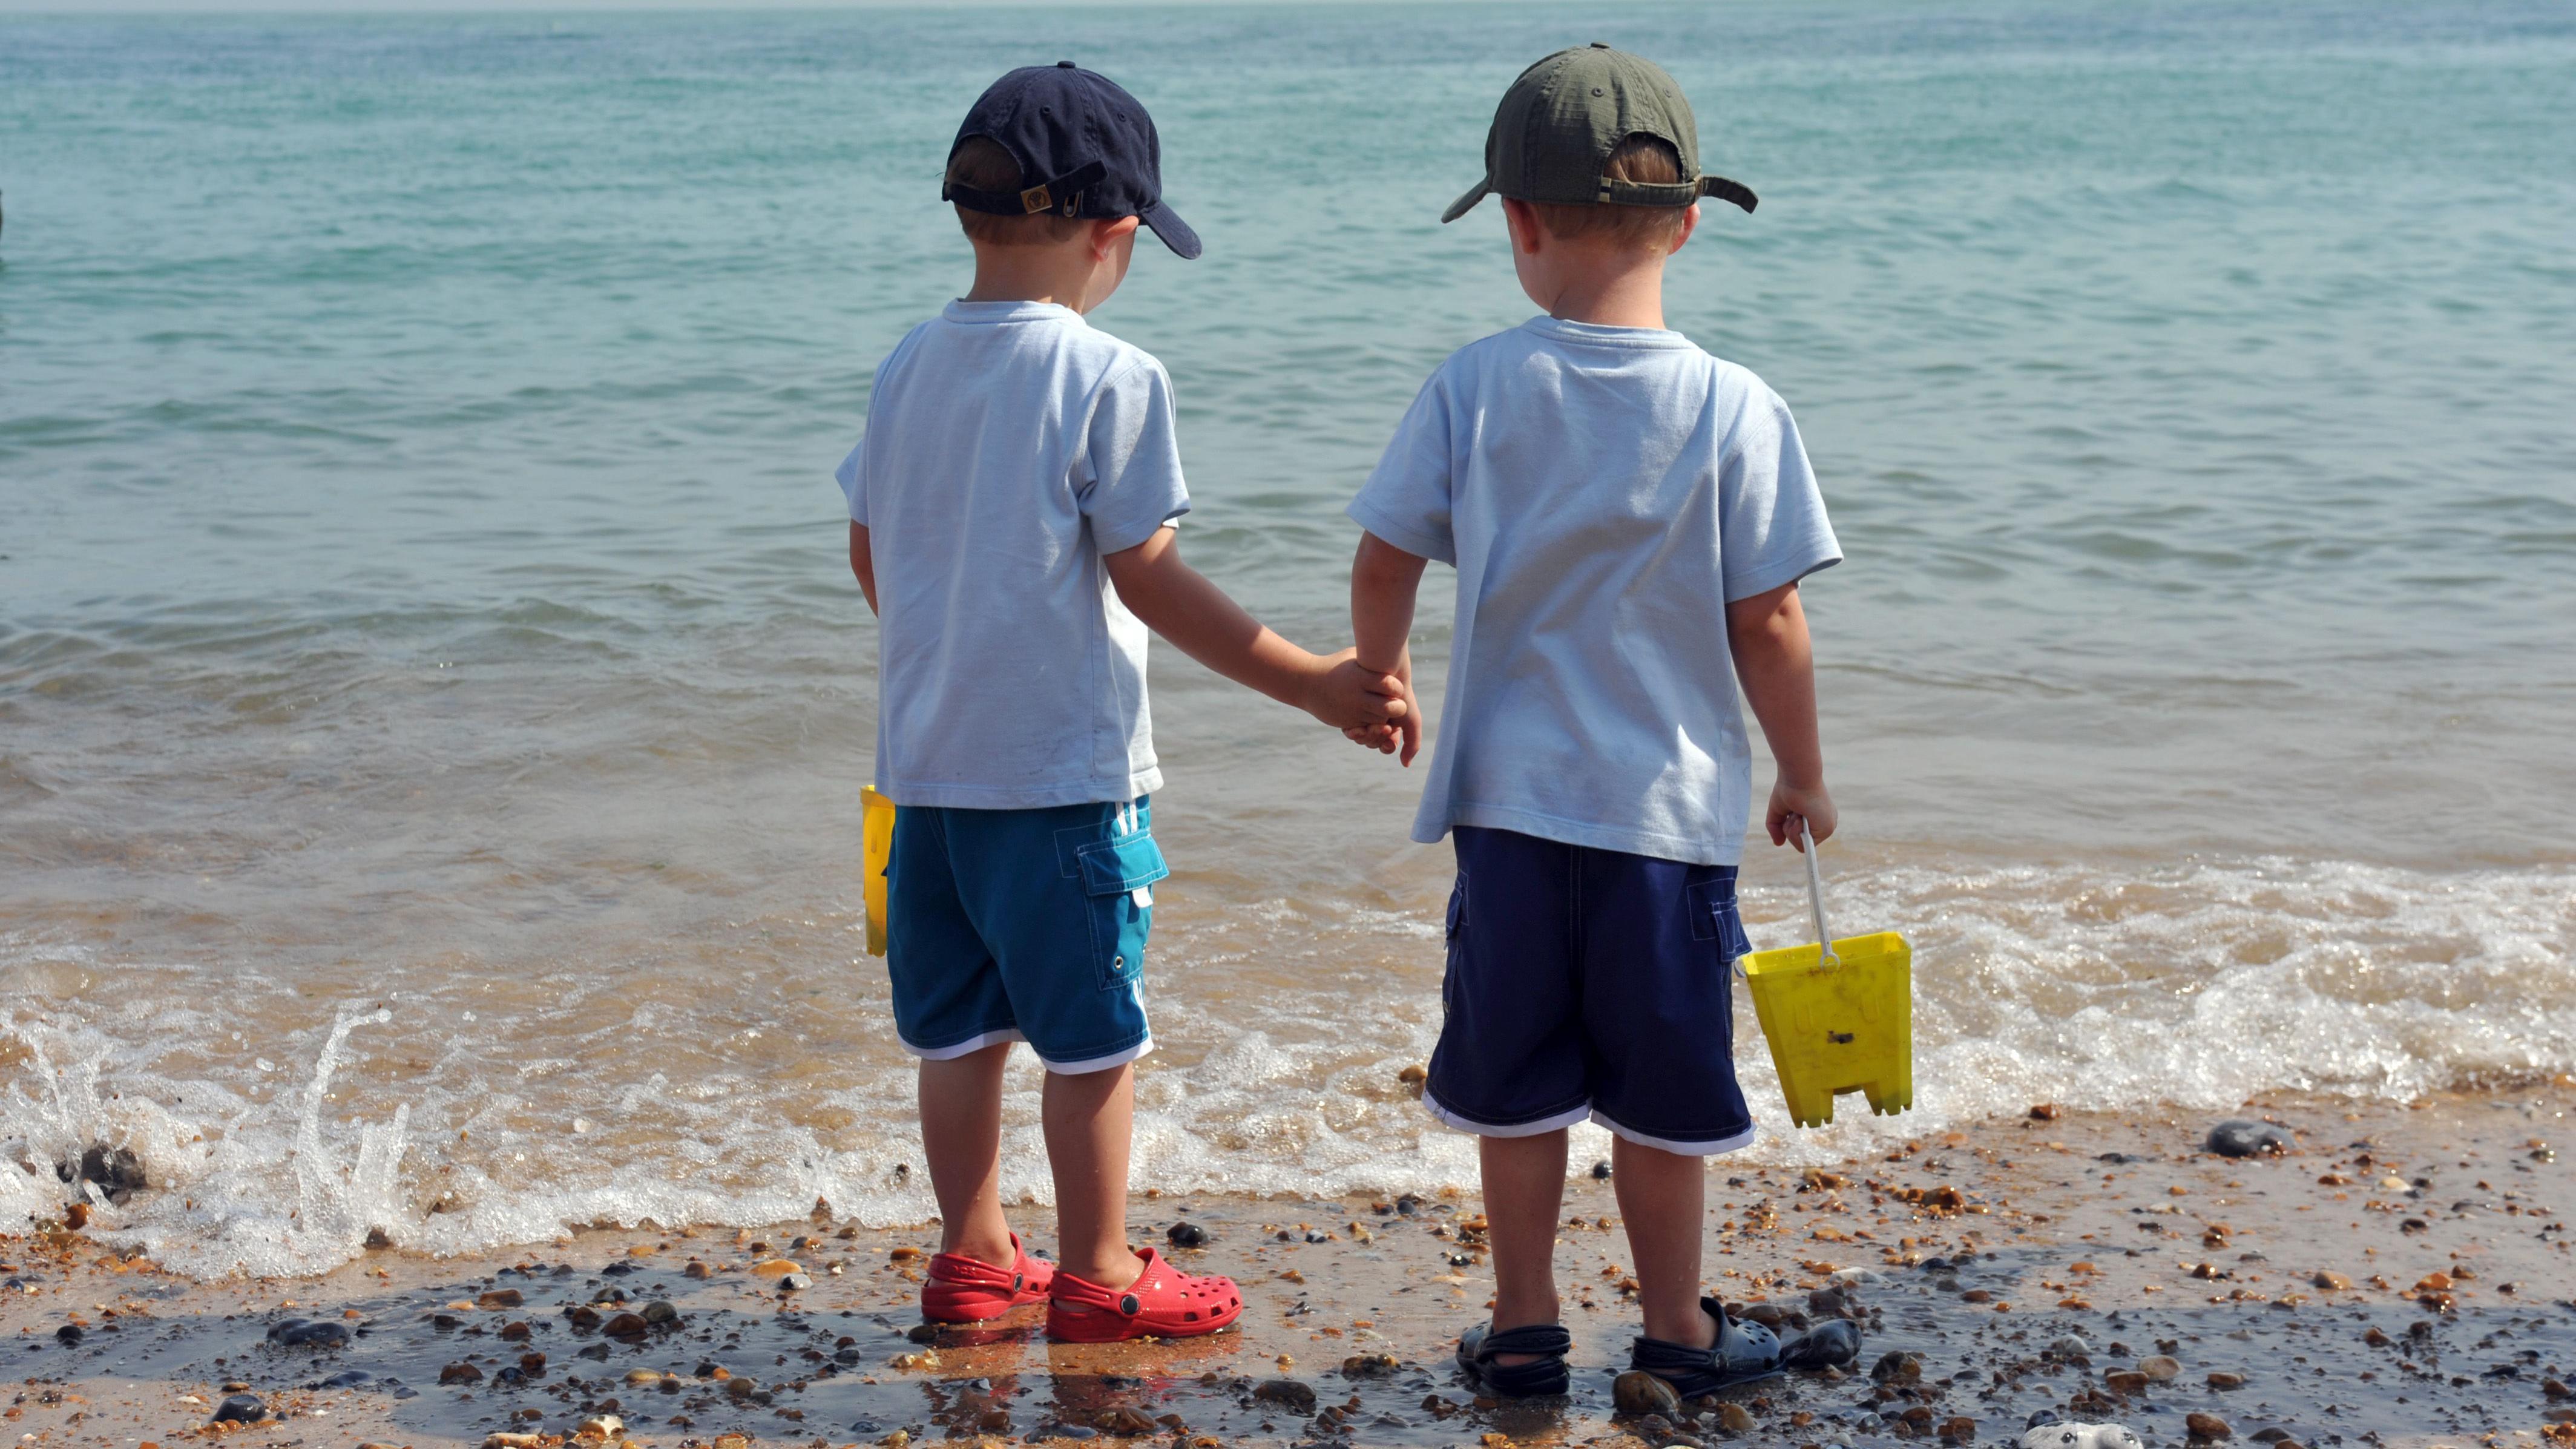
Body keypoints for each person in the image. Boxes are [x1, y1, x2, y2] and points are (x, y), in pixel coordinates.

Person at [838, 61, 1408, 1342]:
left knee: (957, 1035)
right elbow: (1148, 578)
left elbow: (873, 555)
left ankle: (973, 1258)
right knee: (1093, 1039)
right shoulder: (1109, 376)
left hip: (923, 780)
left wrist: (958, 654)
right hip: (1060, 782)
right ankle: (1099, 1270)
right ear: (1112, 234)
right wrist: (1317, 683)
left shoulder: (906, 366)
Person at [1344, 45, 1862, 1396]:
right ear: (1689, 220)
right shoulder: (1734, 406)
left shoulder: (1474, 384)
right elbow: (1769, 622)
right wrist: (1801, 771)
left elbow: (1387, 549)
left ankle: (1522, 1328)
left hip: (1509, 816)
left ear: (1515, 224)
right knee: (1660, 1099)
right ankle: (1678, 1334)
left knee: (1510, 1088)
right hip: (1665, 828)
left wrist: (1379, 672)